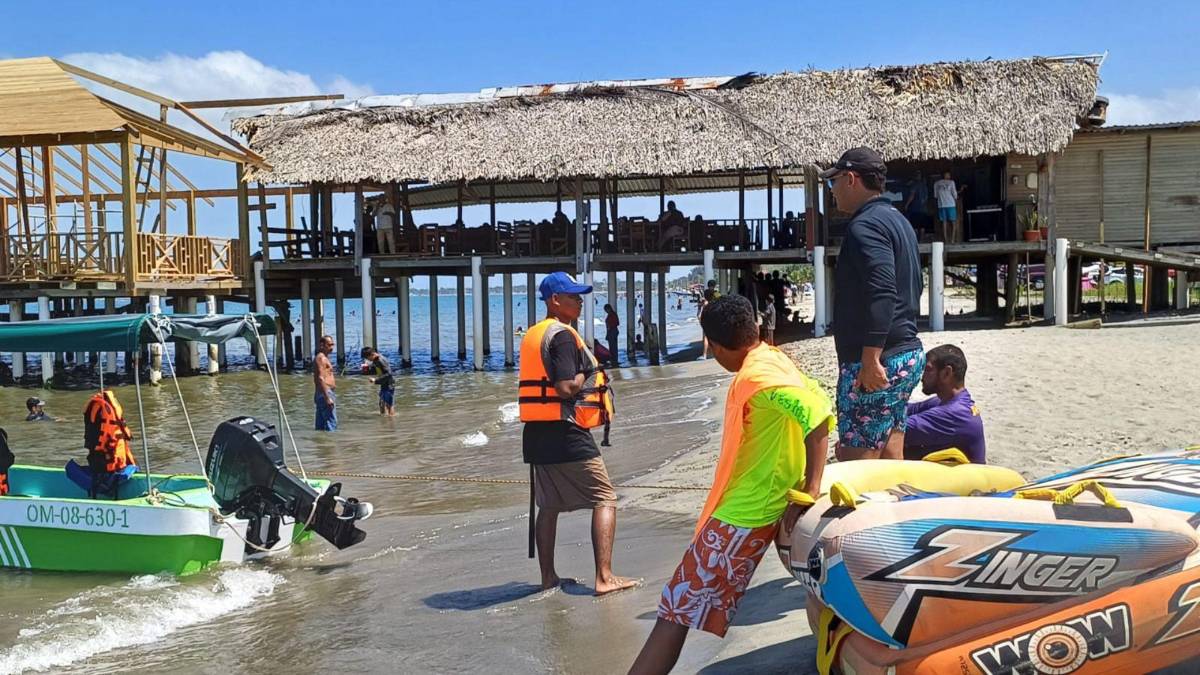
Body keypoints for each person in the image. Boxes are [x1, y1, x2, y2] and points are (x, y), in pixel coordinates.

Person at [628, 295, 834, 675]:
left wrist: (812, 488)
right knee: (676, 608)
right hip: (752, 505)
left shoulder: (756, 377)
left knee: (673, 612)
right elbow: (818, 396)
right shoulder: (772, 358)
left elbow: (817, 415)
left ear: (717, 346)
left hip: (744, 514)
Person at [518, 271, 634, 596]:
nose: (579, 301)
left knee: (550, 505)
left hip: (536, 434)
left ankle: (548, 578)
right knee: (605, 497)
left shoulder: (535, 334)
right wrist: (586, 371)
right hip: (565, 430)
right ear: (555, 300)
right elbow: (566, 387)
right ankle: (604, 578)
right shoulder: (563, 335)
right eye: (572, 296)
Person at [821, 147, 924, 461]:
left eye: (833, 183)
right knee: (892, 451)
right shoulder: (898, 221)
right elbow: (914, 285)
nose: (832, 192)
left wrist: (870, 357)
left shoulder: (865, 225)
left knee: (858, 466)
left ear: (851, 179)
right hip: (906, 352)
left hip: (878, 359)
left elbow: (883, 289)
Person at [903, 345, 986, 463]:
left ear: (946, 373)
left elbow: (895, 428)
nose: (922, 376)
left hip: (967, 479)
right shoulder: (946, 402)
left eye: (928, 370)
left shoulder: (955, 413)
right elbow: (907, 409)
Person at [361, 347, 395, 417]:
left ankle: (391, 420)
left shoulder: (381, 360)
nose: (368, 360)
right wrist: (367, 369)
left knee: (388, 404)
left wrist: (376, 380)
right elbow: (375, 370)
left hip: (389, 384)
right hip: (383, 384)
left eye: (367, 358)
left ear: (372, 354)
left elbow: (389, 374)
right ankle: (383, 419)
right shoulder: (375, 360)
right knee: (381, 403)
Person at [933, 170, 966, 243]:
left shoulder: (936, 183)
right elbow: (954, 194)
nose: (949, 176)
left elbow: (935, 196)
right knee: (953, 223)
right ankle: (953, 240)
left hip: (941, 205)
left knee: (944, 222)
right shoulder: (951, 182)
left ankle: (946, 240)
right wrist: (957, 198)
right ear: (946, 175)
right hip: (950, 205)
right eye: (948, 175)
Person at [314, 335, 337, 431]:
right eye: (329, 345)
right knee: (331, 423)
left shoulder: (323, 358)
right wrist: (327, 397)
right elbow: (320, 378)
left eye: (332, 345)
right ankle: (331, 444)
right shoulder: (321, 358)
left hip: (321, 393)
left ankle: (322, 444)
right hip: (325, 393)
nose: (331, 347)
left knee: (321, 425)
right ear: (322, 345)